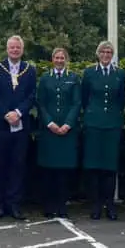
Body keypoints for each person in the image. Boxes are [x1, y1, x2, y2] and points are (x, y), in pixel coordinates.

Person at [0, 35, 36, 220]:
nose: (15, 50)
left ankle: (14, 204)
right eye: (12, 47)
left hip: (21, 126)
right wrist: (6, 114)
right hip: (0, 126)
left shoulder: (30, 70)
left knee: (18, 165)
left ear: (22, 50)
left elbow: (32, 95)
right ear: (7, 49)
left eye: (18, 47)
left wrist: (18, 112)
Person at [81, 40, 125, 221]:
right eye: (103, 52)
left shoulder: (119, 74)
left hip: (112, 124)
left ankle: (110, 204)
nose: (106, 55)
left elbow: (121, 98)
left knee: (110, 166)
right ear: (98, 54)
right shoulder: (90, 73)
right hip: (94, 123)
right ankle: (96, 204)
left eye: (109, 52)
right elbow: (85, 98)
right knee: (94, 166)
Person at [37, 47, 81, 219]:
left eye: (62, 58)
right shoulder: (45, 78)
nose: (59, 60)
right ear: (52, 59)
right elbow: (41, 103)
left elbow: (76, 103)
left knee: (64, 171)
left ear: (66, 60)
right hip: (50, 130)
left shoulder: (73, 78)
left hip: (66, 131)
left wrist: (68, 124)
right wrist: (50, 123)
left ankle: (62, 205)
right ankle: (49, 205)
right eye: (57, 57)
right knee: (49, 170)